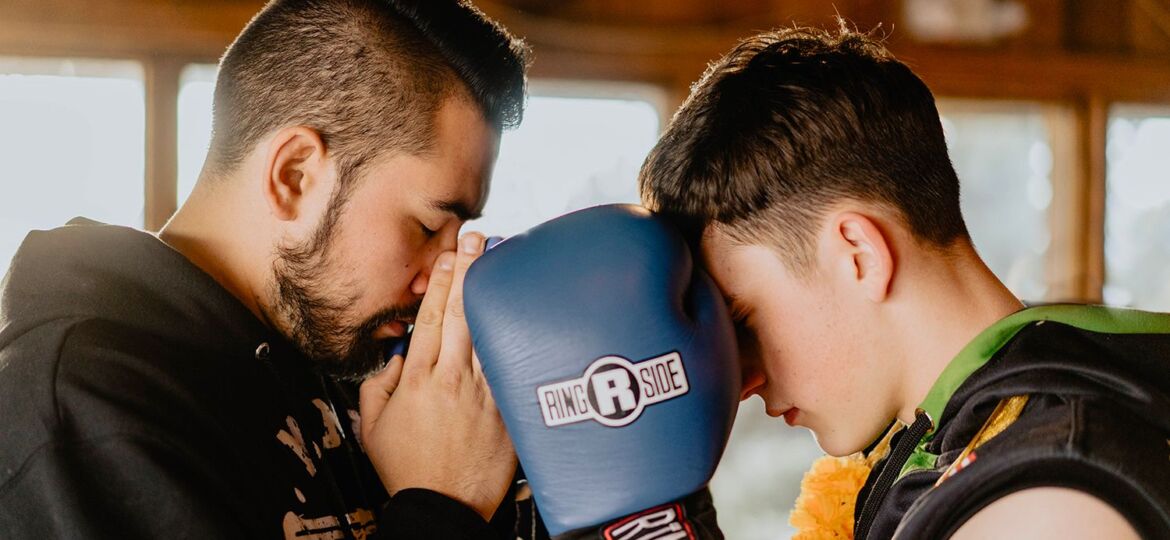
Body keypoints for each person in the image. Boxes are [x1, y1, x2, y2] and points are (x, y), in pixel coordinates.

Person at [0, 0, 540, 538]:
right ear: (295, 175)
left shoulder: (331, 357)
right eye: (427, 227)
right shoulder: (81, 412)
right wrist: (444, 507)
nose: (442, 275)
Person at [637, 25, 1170, 539]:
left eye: (743, 320)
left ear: (860, 255)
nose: (744, 381)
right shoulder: (974, 430)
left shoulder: (1050, 501)